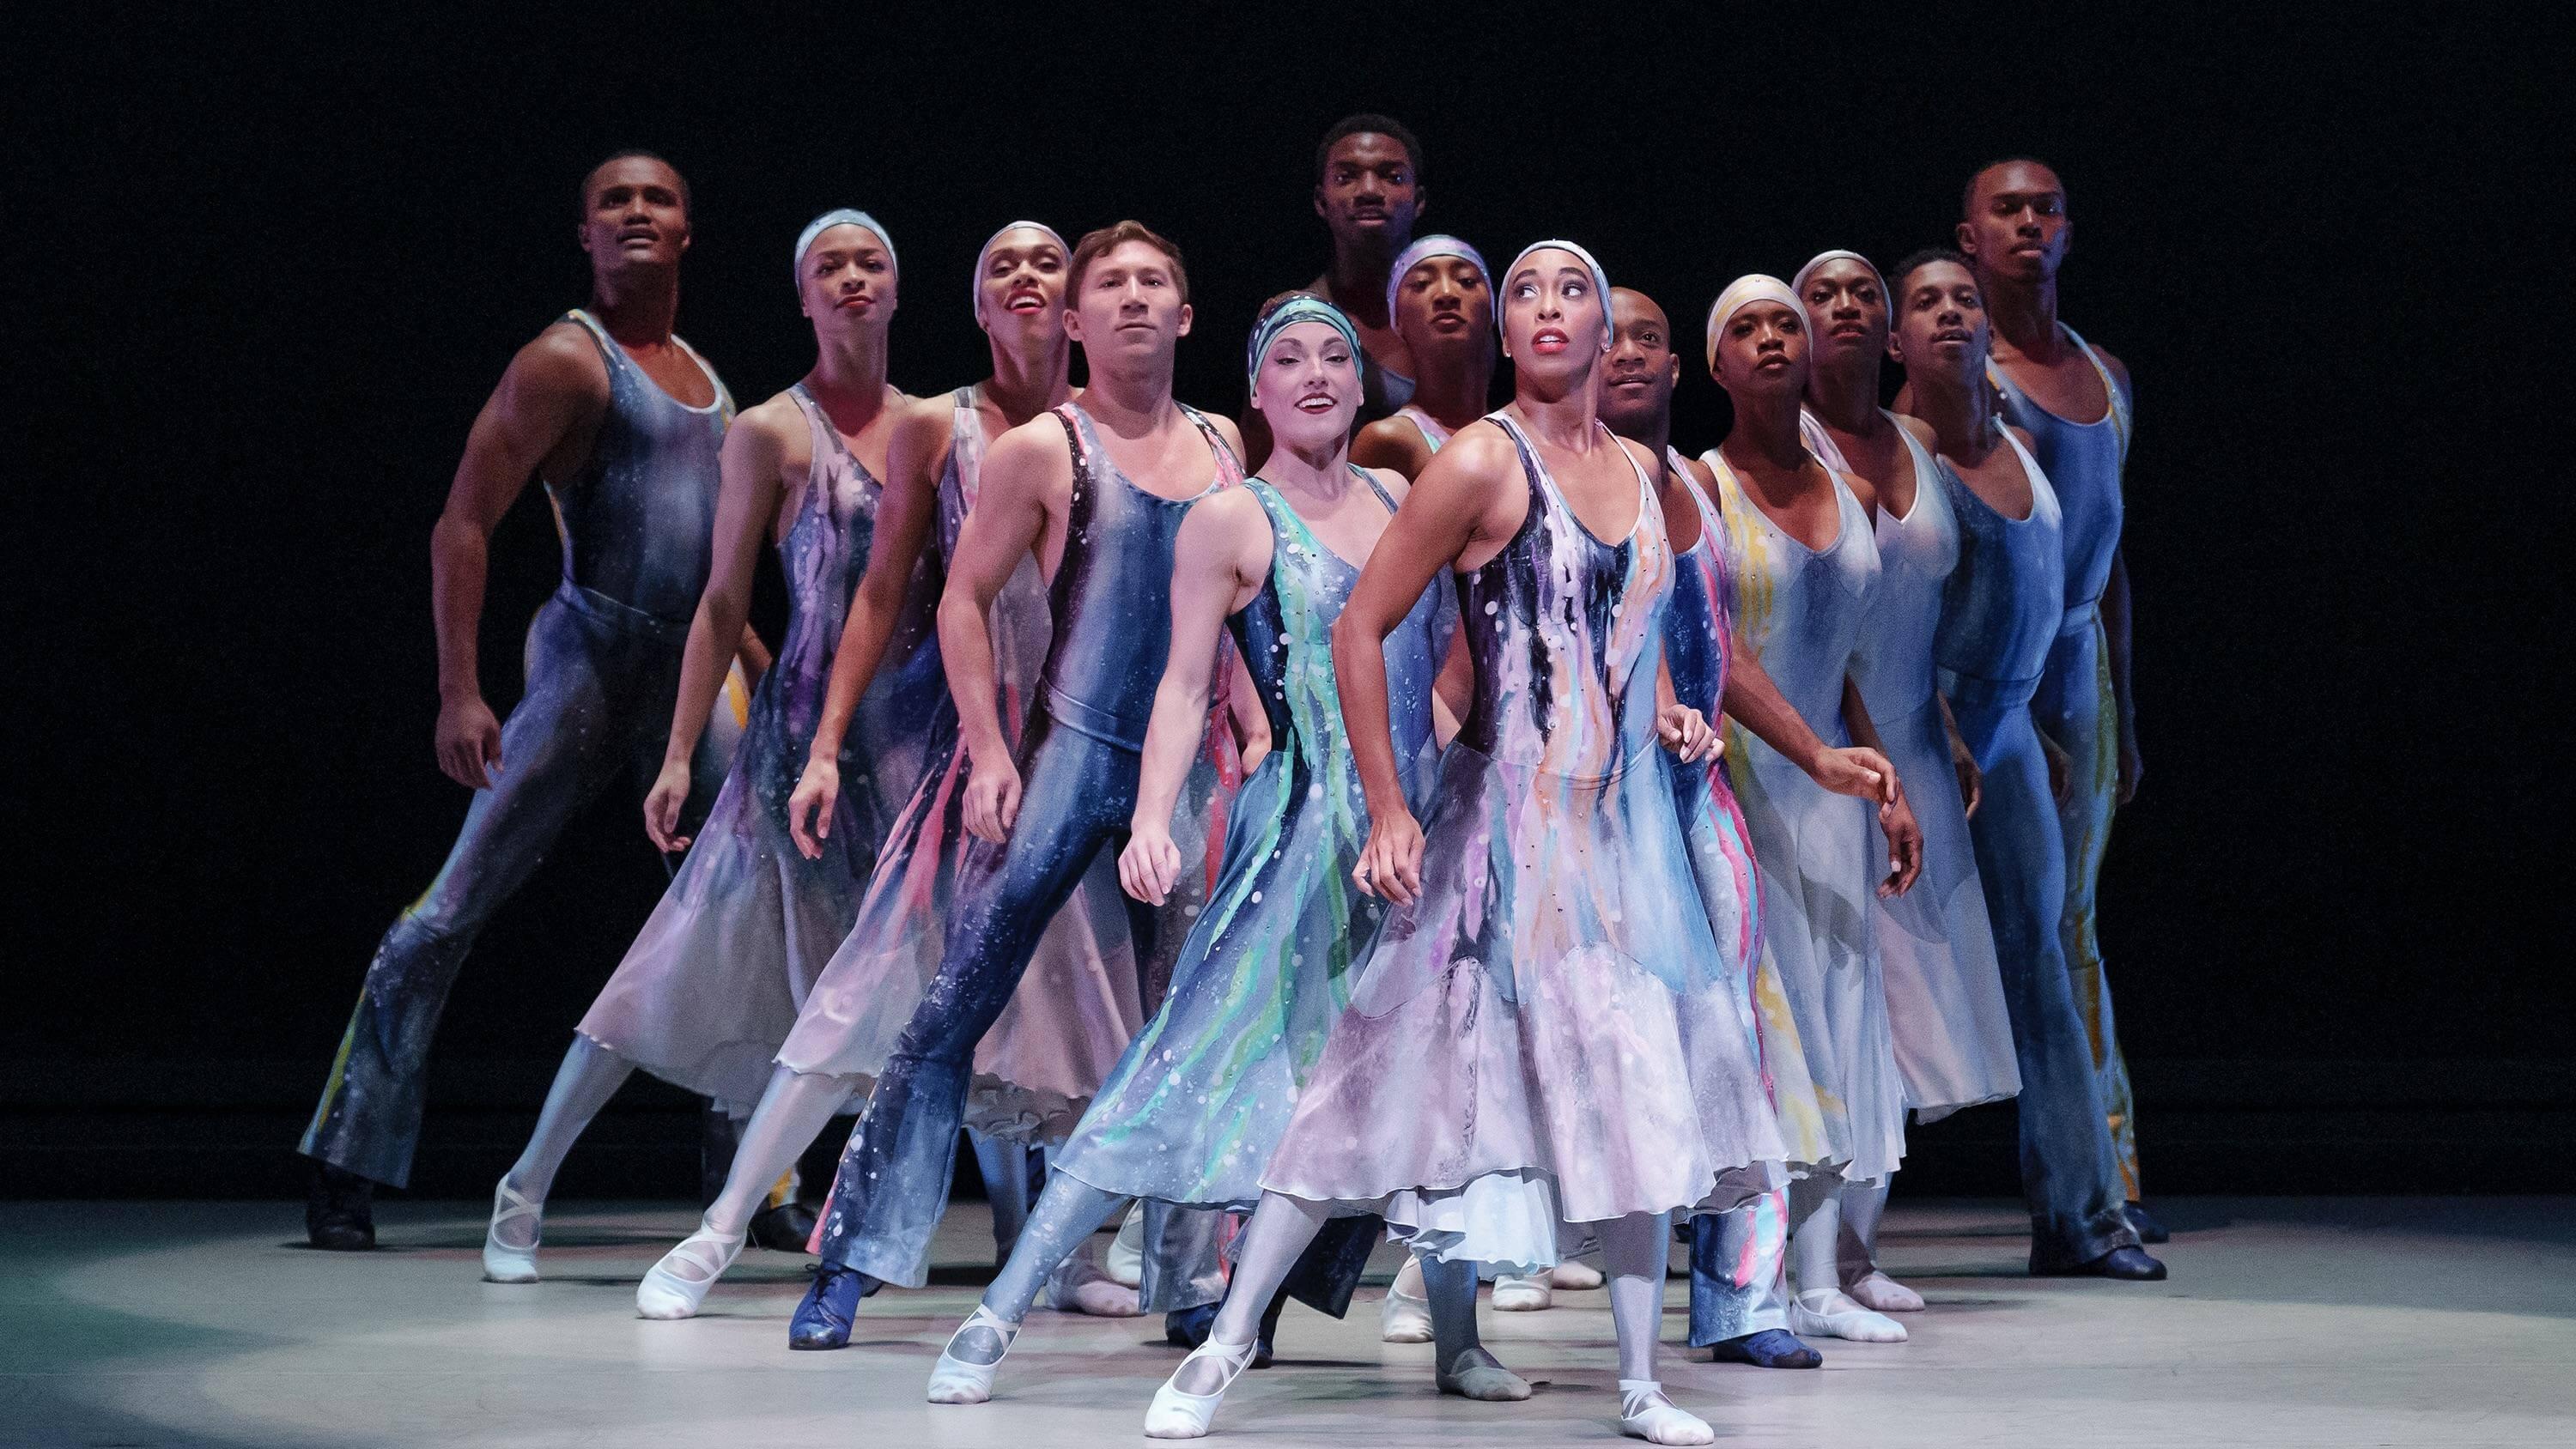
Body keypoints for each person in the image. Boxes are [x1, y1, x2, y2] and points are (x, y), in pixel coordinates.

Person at [1140, 241, 1798, 1447]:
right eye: (1527, 294)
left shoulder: (1651, 481)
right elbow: (1361, 631)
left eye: (1573, 291)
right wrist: (1390, 805)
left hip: (1614, 836)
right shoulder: (1483, 461)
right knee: (1373, 1091)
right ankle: (1226, 1346)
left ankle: (1642, 1382)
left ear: (1609, 331)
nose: (1548, 308)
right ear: (1507, 335)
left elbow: (1639, 633)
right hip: (1494, 828)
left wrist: (1664, 709)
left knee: (1639, 1089)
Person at [921, 291, 1480, 1404]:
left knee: (1433, 1085)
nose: (1316, 372)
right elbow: (1185, 687)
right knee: (1179, 1074)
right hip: (1296, 841)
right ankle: (996, 1313)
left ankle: (1461, 1341)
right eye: (1288, 359)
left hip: (1413, 840)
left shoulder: (1402, 498)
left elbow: (1446, 674)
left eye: (1335, 356)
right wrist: (1150, 817)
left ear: (1363, 387)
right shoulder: (1234, 519)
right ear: (1258, 392)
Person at [622, 222, 1163, 1323]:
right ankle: (723, 1223)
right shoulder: (938, 426)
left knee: (1078, 1018)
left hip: (1079, 759)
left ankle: (1058, 1253)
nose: (1022, 274)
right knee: (862, 996)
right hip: (973, 756)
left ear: (1075, 307)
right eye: (997, 262)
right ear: (973, 307)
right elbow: (882, 592)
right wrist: (824, 742)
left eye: (1045, 261)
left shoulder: (1120, 437)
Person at [786, 221, 1255, 1350]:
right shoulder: (1045, 449)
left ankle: (1190, 1282)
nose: (1136, 299)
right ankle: (849, 1258)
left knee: (1190, 1020)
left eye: (1157, 282)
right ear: (1078, 322)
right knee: (954, 1005)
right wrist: (993, 753)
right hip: (1065, 758)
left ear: (1186, 317)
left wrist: (1252, 734)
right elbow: (959, 598)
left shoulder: (1224, 443)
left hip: (1175, 776)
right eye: (1114, 286)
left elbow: (1236, 615)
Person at [299, 153, 760, 1249]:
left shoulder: (706, 378)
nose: (637, 214)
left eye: (657, 199)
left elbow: (715, 576)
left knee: (742, 910)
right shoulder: (567, 361)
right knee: (453, 905)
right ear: (586, 234)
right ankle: (345, 1153)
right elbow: (462, 522)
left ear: (689, 230)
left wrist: (779, 679)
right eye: (615, 201)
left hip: (685, 676)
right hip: (590, 662)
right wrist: (460, 690)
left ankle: (758, 1184)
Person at [472, 209, 940, 1283]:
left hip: (901, 754)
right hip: (792, 751)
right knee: (669, 972)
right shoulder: (772, 429)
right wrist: (683, 751)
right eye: (832, 266)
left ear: (900, 290)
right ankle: (527, 1180)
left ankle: (855, 1217)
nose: (855, 278)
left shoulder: (933, 427)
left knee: (891, 994)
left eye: (873, 262)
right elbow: (723, 598)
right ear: (804, 297)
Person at [1892, 249, 2161, 1280]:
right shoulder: (1898, 455)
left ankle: (2083, 1215)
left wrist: (2050, 726)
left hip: (2008, 731)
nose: (1953, 314)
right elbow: (1887, 614)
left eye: (1962, 299)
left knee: (2045, 965)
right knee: (1863, 970)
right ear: (1895, 337)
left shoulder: (2021, 444)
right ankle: (1779, 1223)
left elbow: (2061, 585)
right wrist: (1945, 728)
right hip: (1928, 731)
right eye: (1928, 303)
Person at [1597, 285, 1827, 1372]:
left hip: (1696, 800)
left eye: (1649, 336)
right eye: (1612, 335)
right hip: (1584, 809)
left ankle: (1743, 1294)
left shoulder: (1688, 483)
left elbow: (1718, 649)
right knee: (1546, 1044)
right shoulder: (1543, 481)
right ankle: (1443, 1270)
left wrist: (1818, 753)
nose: (1630, 352)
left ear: (1676, 365)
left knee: (1734, 1041)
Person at [1695, 274, 1924, 1347]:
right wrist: (1818, 755)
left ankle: (1826, 1268)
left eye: (1785, 318)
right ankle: (1773, 1279)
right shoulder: (1699, 487)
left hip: (1831, 785)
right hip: (1746, 786)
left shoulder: (1849, 478)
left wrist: (1884, 777)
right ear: (1718, 364)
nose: (1773, 336)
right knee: (1772, 1030)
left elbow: (1849, 654)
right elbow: (1721, 649)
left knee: (1838, 1018)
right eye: (1746, 326)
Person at [1792, 250, 2021, 1312]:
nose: (1844, 308)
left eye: (1862, 294)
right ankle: (1797, 1253)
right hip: (1821, 751)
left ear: (1884, 327)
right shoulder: (1777, 448)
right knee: (1833, 999)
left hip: (1915, 750)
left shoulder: (1920, 441)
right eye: (1821, 296)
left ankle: (1856, 1250)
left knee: (1914, 1012)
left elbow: (1919, 616)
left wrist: (1940, 722)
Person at [1956, 160, 2154, 1240]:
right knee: (2026, 932)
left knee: (2073, 928)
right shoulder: (1961, 379)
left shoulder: (2106, 372)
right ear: (1969, 234)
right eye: (2008, 210)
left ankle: (2105, 1171)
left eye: (2046, 209)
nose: (2030, 224)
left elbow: (2113, 553)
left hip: (2082, 667)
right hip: (2000, 675)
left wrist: (2121, 705)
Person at [1242, 114, 1430, 468]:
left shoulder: (1455, 311)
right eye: (1346, 177)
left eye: (1393, 177)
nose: (1370, 191)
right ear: (1321, 200)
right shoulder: (1294, 319)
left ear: (1418, 199)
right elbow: (1256, 462)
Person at [1350, 234, 1494, 480]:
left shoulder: (1524, 434)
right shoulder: (1389, 441)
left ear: (1492, 311)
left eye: (1467, 281)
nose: (1446, 293)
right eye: (1421, 284)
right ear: (1398, 319)